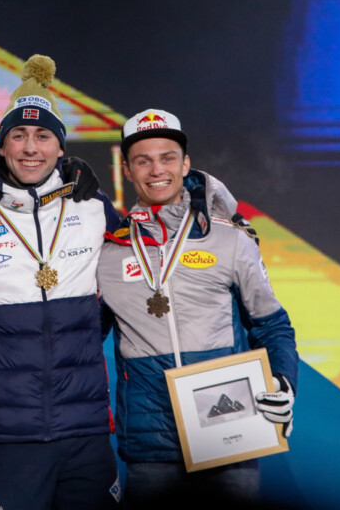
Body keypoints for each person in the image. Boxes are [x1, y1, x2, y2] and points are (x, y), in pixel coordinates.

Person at [0, 54, 122, 510]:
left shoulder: (95, 208)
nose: (30, 148)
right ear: (2, 147)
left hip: (85, 431)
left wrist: (216, 207)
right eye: (17, 135)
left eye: (43, 136)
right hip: (3, 435)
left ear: (61, 148)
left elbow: (145, 271)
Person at [96, 108, 298, 507]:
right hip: (150, 446)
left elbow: (272, 325)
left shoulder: (231, 240)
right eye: (143, 161)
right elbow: (77, 335)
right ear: (128, 170)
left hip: (229, 438)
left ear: (185, 164)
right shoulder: (107, 251)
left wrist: (283, 381)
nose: (157, 170)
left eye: (167, 158)